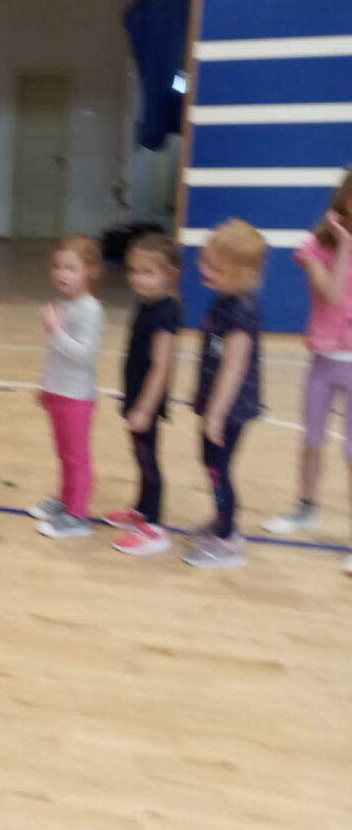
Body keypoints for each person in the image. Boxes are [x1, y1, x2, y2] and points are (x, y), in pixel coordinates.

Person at [263, 166, 352, 573]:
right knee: (312, 438)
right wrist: (345, 244)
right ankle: (305, 508)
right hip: (323, 362)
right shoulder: (312, 247)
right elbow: (332, 295)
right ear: (344, 200)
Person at [183, 219, 266, 569]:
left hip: (231, 409)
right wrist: (200, 390)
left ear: (241, 274)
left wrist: (216, 414)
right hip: (215, 402)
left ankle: (228, 539)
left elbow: (233, 368)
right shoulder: (223, 300)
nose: (205, 270)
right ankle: (221, 521)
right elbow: (213, 353)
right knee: (210, 464)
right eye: (204, 261)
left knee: (218, 468)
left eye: (215, 268)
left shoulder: (242, 310)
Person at [103, 233, 182, 556]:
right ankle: (141, 509)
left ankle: (155, 526)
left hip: (146, 400)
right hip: (135, 394)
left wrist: (145, 409)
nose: (137, 279)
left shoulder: (167, 312)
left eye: (147, 272)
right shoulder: (147, 304)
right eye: (134, 270)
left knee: (149, 460)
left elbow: (162, 366)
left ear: (169, 275)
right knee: (139, 454)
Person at [30, 236, 105, 539]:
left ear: (90, 271)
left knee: (76, 456)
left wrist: (55, 331)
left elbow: (83, 355)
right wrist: (46, 386)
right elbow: (55, 354)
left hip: (77, 396)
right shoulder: (63, 303)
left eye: (71, 268)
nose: (61, 273)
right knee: (63, 453)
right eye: (57, 267)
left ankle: (78, 515)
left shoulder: (90, 309)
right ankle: (65, 500)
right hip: (59, 392)